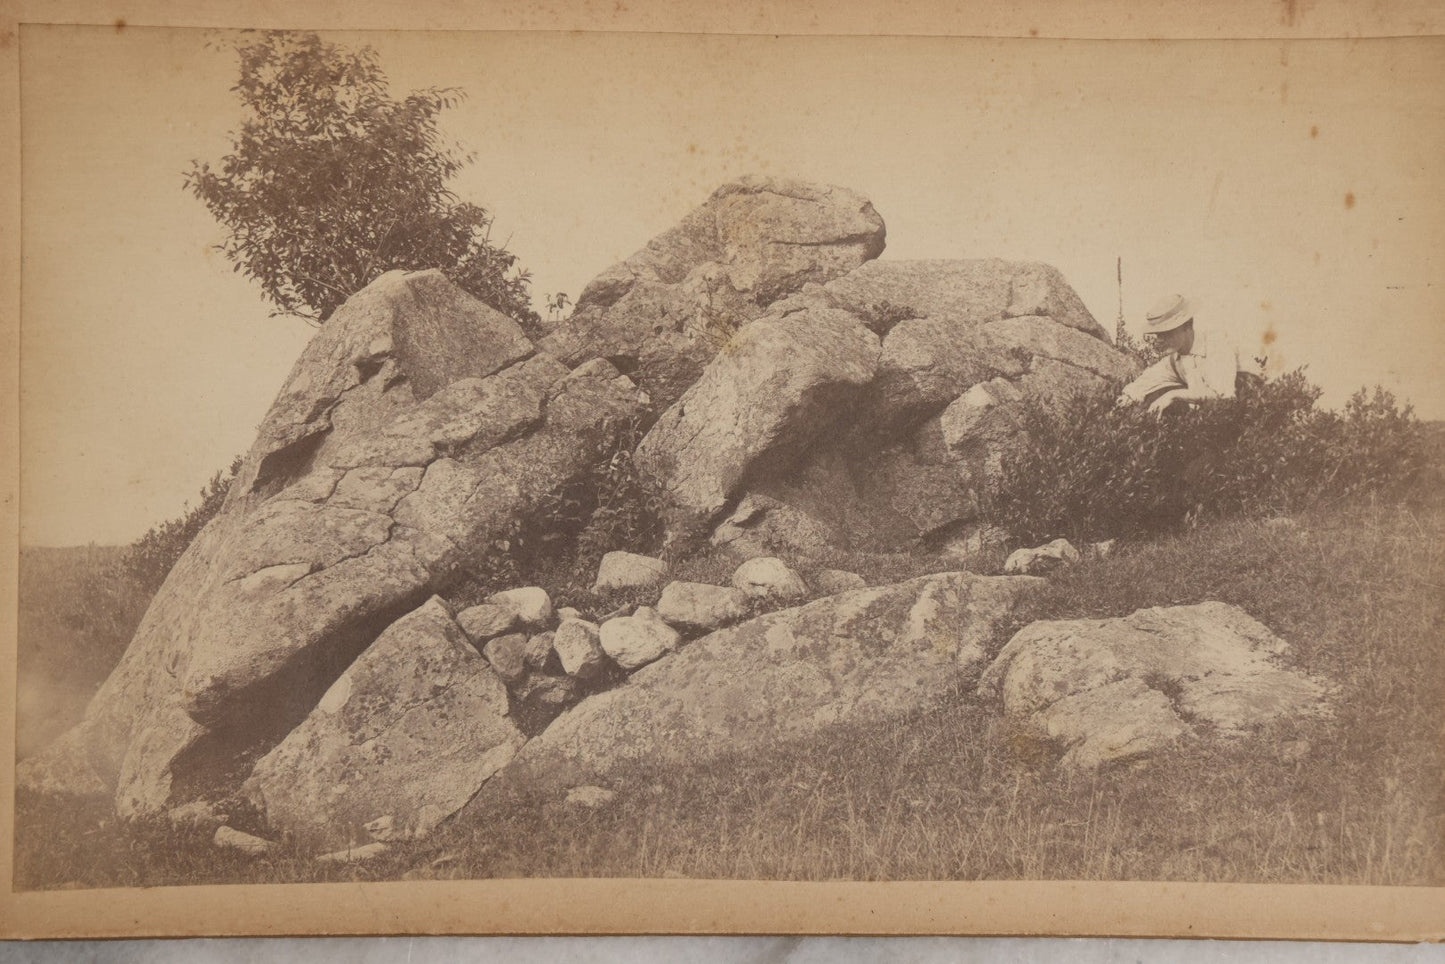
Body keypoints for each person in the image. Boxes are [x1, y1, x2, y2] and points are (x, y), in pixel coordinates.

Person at [1117, 294, 1249, 415]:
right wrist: (1128, 396)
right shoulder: (1176, 359)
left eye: (1167, 332)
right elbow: (1151, 378)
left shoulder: (1217, 347)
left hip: (1251, 413)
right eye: (1158, 334)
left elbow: (1223, 398)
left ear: (1187, 326)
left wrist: (1173, 395)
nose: (1160, 339)